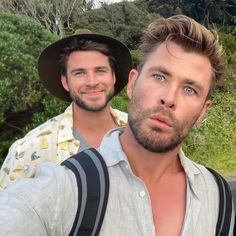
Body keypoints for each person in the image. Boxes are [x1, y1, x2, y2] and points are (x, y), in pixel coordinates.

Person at [0, 15, 235, 235]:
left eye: (189, 89)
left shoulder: (219, 198)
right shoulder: (60, 179)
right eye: (159, 77)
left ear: (203, 112)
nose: (169, 98)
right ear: (132, 84)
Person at [0, 30, 132, 188]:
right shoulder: (28, 149)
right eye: (79, 73)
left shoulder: (137, 130)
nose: (92, 81)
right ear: (65, 82)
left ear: (113, 77)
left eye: (100, 71)